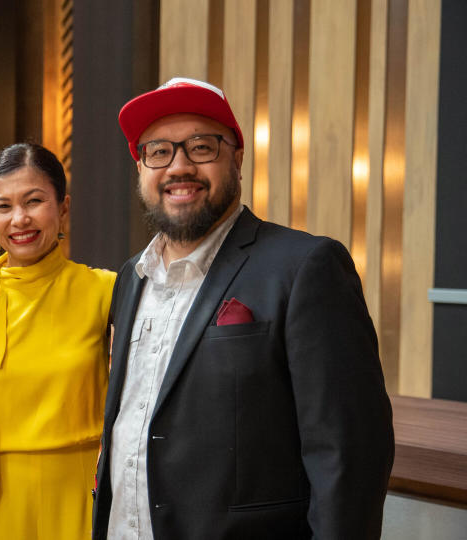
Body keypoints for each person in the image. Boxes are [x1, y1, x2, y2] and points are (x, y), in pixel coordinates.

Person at [91, 78, 394, 540]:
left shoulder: (305, 267)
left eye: (201, 146)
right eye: (158, 151)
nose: (179, 166)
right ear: (140, 167)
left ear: (237, 157)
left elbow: (348, 457)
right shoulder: (132, 277)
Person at [0, 143, 116, 539]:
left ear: (63, 208)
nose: (19, 218)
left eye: (35, 201)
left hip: (81, 491)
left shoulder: (105, 292)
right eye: (3, 206)